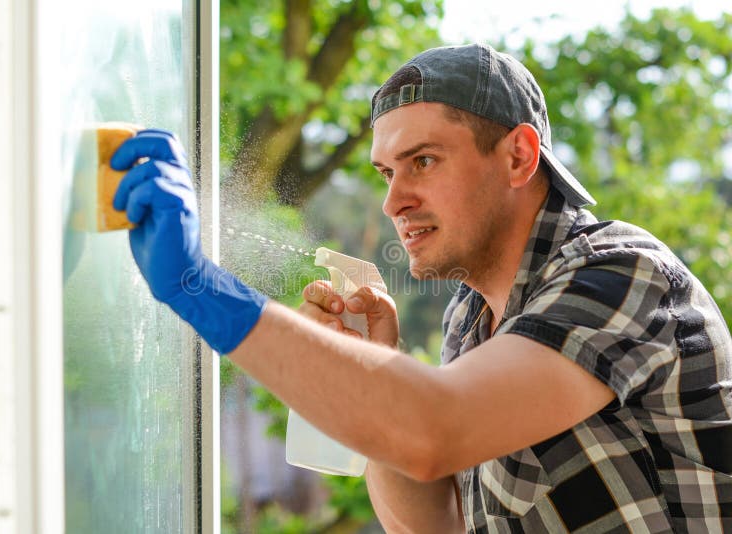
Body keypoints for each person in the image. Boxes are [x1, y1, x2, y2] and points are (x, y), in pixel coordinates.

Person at [110, 44, 732, 532]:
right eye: (386, 171)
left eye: (424, 161)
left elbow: (434, 433)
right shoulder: (473, 316)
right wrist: (377, 358)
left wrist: (200, 287)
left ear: (518, 156)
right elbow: (433, 525)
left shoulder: (621, 276)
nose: (392, 202)